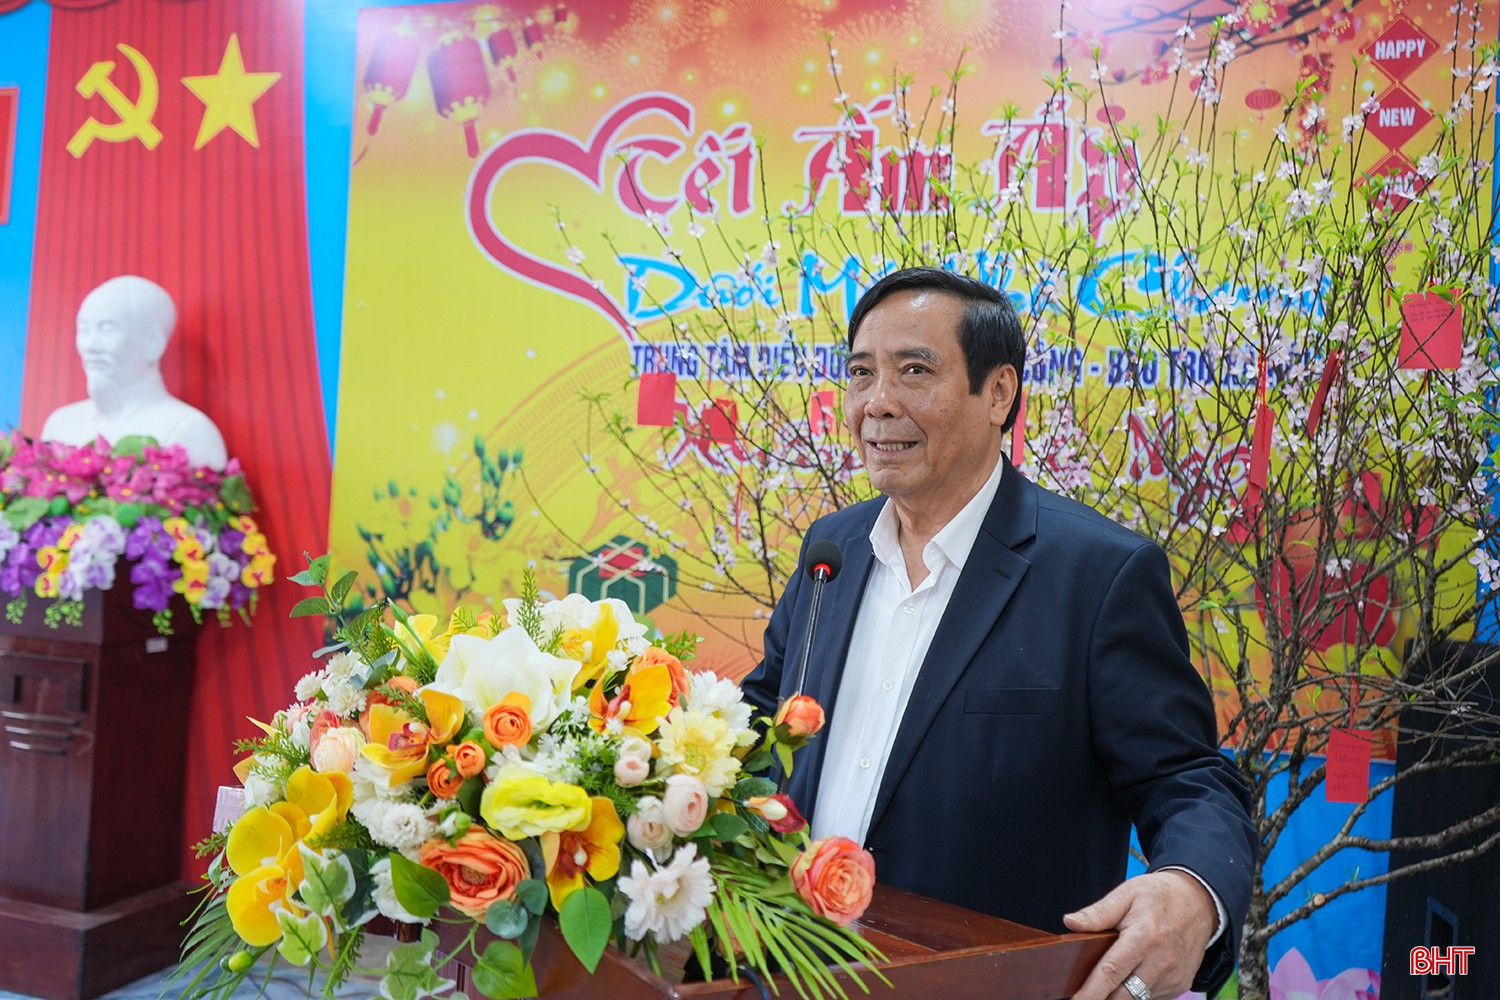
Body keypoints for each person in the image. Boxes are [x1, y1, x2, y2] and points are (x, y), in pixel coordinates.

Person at [741, 267, 1255, 1000]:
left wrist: (1192, 889)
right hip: (790, 973)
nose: (877, 403)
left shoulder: (1098, 574)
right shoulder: (833, 551)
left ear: (1000, 394)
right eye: (861, 373)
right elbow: (763, 720)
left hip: (986, 982)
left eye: (914, 371)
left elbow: (1185, 777)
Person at [40, 275, 227, 470]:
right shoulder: (60, 424)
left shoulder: (188, 430)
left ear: (153, 343)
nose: (90, 346)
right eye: (84, 329)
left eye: (107, 329)